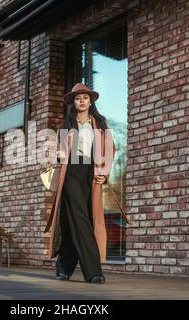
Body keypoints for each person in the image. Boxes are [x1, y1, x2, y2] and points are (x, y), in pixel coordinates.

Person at [45, 83, 116, 284]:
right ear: (73, 103)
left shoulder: (100, 125)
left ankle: (63, 267)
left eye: (85, 97)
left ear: (90, 101)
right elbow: (53, 152)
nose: (81, 101)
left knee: (73, 221)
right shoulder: (66, 125)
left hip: (91, 174)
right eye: (77, 98)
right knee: (81, 219)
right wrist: (55, 155)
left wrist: (105, 173)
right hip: (71, 173)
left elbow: (110, 150)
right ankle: (93, 271)